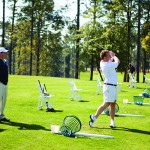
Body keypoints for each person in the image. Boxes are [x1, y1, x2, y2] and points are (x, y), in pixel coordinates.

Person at [89, 50, 120, 128]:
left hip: (112, 86)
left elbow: (110, 61)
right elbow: (117, 62)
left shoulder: (103, 62)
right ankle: (94, 117)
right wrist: (114, 56)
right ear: (105, 57)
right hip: (109, 86)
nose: (109, 56)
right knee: (107, 104)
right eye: (108, 55)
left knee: (113, 104)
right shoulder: (107, 65)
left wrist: (111, 56)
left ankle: (112, 122)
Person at [0, 47, 10, 122]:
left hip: (5, 83)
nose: (6, 54)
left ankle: (1, 115)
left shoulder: (4, 61)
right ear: (1, 54)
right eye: (5, 53)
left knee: (4, 100)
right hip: (0, 83)